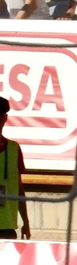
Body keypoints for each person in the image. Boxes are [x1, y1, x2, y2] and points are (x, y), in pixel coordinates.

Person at [0, 96, 27, 239]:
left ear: (5, 118)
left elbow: (19, 188)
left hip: (7, 226)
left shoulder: (13, 148)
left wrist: (26, 222)